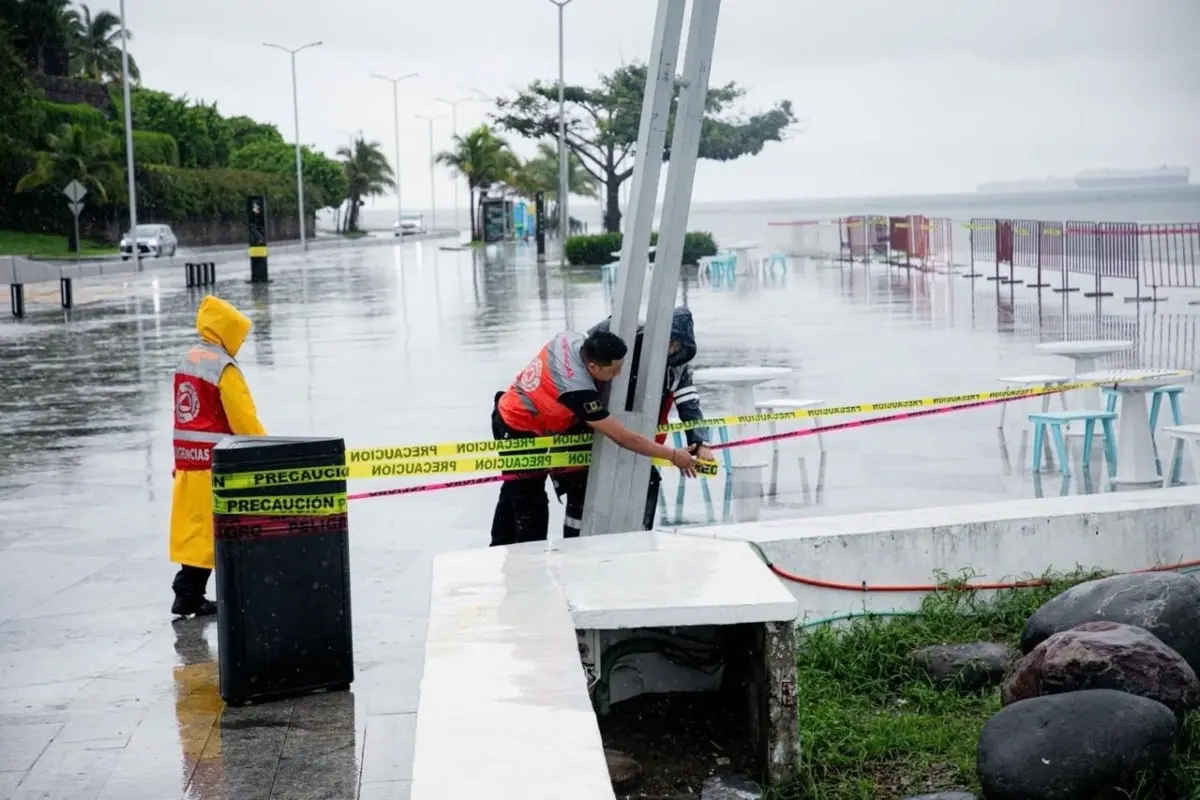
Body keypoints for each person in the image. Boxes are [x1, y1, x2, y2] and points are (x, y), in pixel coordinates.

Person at [490, 329, 696, 546]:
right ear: (593, 367)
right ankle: (530, 561)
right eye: (614, 371)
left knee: (513, 488)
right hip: (517, 425)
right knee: (530, 501)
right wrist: (673, 455)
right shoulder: (576, 390)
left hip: (518, 409)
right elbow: (624, 438)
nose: (618, 375)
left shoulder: (571, 339)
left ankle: (498, 546)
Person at [169, 296, 266, 618]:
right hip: (216, 463)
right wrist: (266, 451)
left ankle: (188, 594)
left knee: (196, 530)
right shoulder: (223, 366)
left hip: (187, 461)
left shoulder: (189, 358)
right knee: (223, 530)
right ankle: (195, 594)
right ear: (228, 331)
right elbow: (244, 419)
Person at [588, 306, 715, 529]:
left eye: (676, 346)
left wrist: (700, 443)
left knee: (648, 482)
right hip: (602, 435)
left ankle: (641, 534)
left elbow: (689, 406)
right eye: (669, 341)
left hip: (645, 443)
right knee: (595, 493)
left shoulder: (678, 369)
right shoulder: (624, 344)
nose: (671, 349)